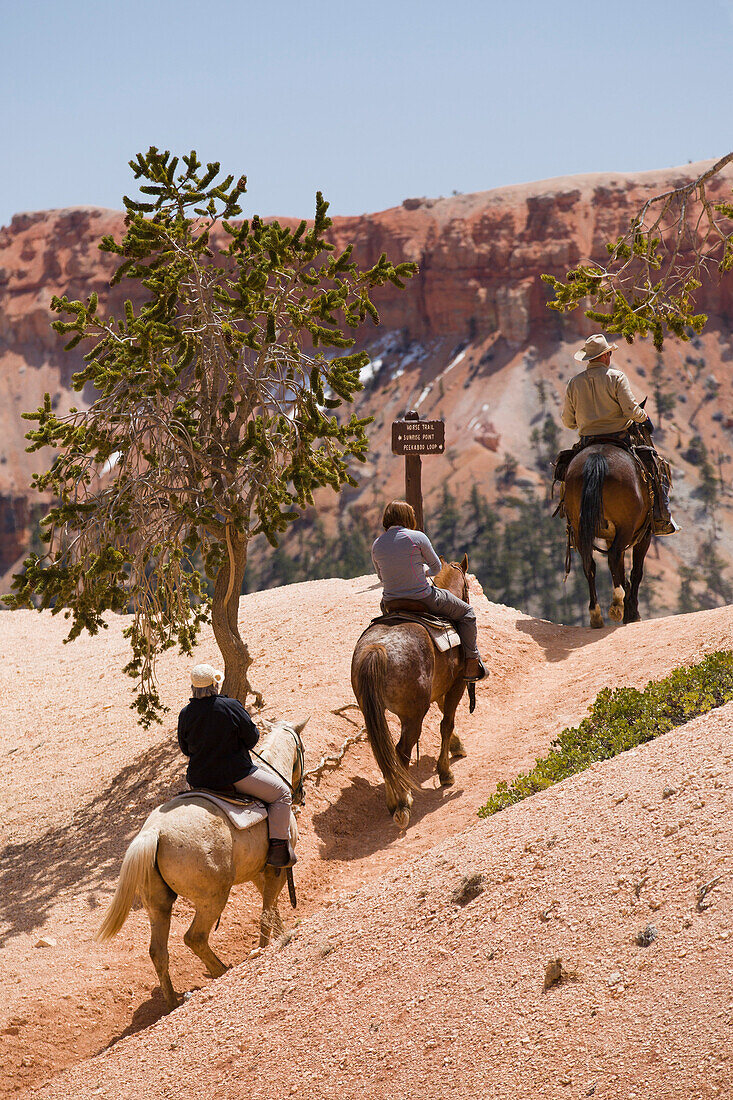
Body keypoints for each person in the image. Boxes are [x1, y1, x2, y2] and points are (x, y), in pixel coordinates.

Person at [177, 664, 296, 868]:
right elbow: (252, 739)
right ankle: (278, 850)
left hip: (198, 781)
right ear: (215, 685)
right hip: (235, 776)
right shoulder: (231, 705)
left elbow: (186, 749)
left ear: (193, 688)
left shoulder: (186, 713)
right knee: (282, 794)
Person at [561, 333, 679, 535]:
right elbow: (631, 411)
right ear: (606, 355)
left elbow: (568, 421)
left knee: (564, 471)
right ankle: (662, 517)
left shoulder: (574, 383)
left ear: (589, 359)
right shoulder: (616, 377)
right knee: (658, 467)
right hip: (619, 438)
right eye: (608, 354)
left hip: (587, 441)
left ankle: (572, 524)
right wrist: (645, 418)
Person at [371, 500, 486, 681]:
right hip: (422, 597)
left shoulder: (377, 544)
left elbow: (381, 577)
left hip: (390, 602)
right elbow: (436, 568)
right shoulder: (417, 537)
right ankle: (472, 663)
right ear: (408, 517)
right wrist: (421, 571)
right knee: (467, 613)